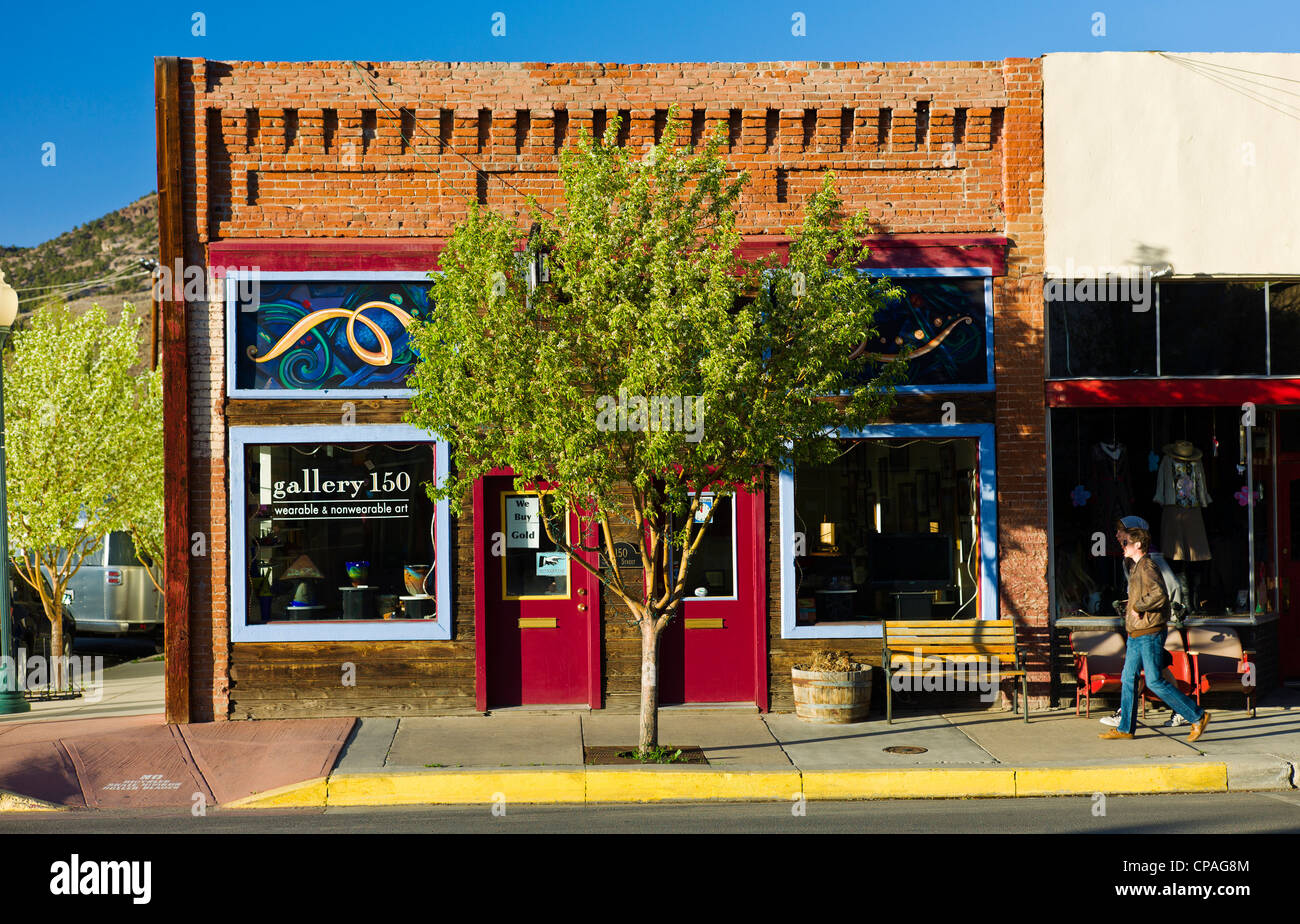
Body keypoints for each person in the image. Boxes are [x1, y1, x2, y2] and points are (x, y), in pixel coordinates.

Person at [1100, 524, 1210, 742]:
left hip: (1149, 633)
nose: (1122, 546)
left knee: (1154, 681)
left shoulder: (1147, 566)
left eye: (1125, 543)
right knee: (1128, 678)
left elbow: (1160, 595)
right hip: (1136, 634)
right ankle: (1125, 729)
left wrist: (1138, 606)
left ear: (1138, 545)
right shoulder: (1136, 566)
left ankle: (1197, 716)